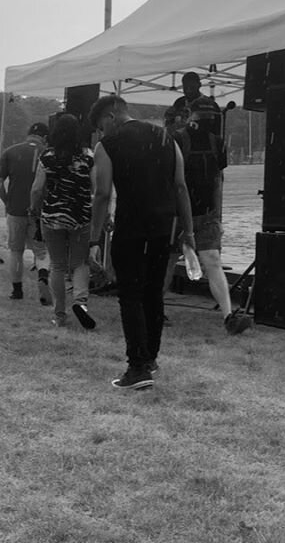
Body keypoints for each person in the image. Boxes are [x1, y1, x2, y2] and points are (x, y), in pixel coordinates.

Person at [89, 95, 195, 390]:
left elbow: (102, 194)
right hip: (164, 227)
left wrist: (94, 238)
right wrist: (189, 232)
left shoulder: (107, 146)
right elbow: (181, 186)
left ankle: (137, 367)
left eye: (100, 127)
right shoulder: (165, 137)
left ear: (110, 117)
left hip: (132, 228)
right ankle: (150, 359)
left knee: (131, 295)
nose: (101, 133)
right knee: (153, 293)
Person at [169, 96, 252, 335]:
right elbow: (174, 181)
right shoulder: (177, 139)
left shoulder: (217, 143)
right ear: (190, 115)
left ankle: (229, 317)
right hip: (178, 214)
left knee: (213, 261)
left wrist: (217, 216)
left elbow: (218, 180)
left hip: (206, 215)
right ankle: (154, 310)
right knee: (168, 263)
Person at [30, 113, 96, 329]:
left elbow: (38, 189)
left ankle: (59, 315)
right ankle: (81, 301)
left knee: (57, 265)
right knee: (80, 263)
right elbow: (95, 189)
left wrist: (35, 210)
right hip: (81, 217)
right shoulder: (88, 155)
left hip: (52, 217)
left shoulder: (47, 157)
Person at [0, 123, 51, 304]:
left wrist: (7, 201)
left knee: (16, 251)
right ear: (45, 137)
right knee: (41, 251)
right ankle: (42, 276)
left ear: (28, 135)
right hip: (40, 211)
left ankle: (17, 290)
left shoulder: (10, 152)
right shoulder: (48, 154)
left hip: (15, 210)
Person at [164, 71, 221, 136]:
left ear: (199, 85)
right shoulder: (179, 102)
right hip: (181, 143)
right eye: (185, 87)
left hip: (203, 144)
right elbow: (170, 126)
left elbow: (215, 131)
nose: (189, 90)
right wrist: (169, 117)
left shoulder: (210, 104)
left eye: (192, 87)